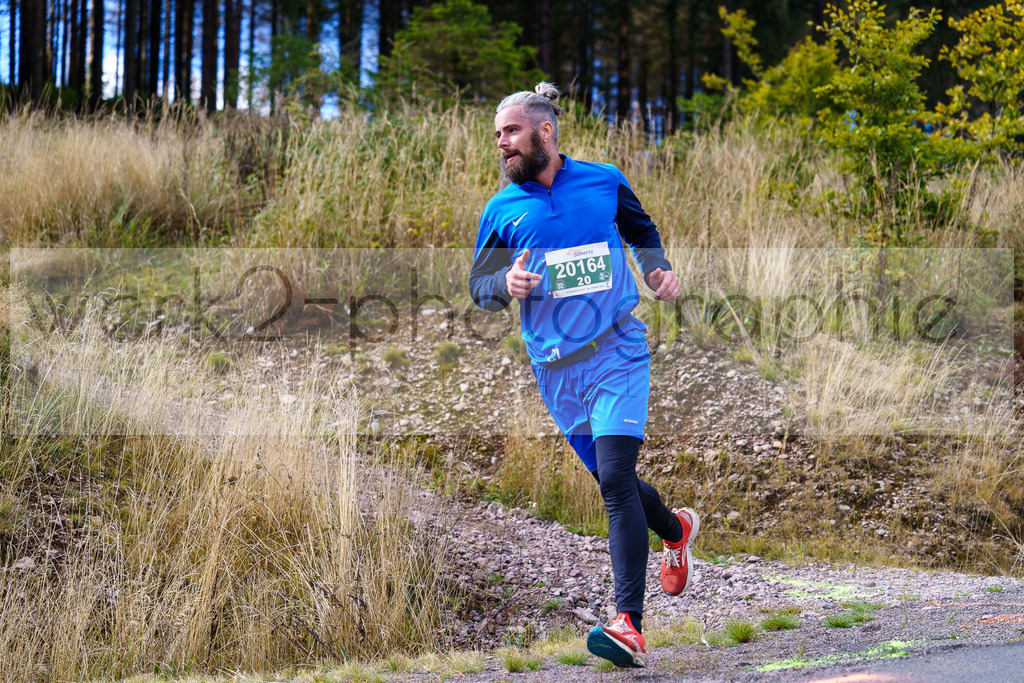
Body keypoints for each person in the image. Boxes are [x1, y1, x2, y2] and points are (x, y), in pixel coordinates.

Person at [469, 82, 701, 669]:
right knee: (613, 481)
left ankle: (629, 624)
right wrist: (506, 285)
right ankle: (675, 530)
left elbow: (641, 231)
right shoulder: (502, 210)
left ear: (544, 131)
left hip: (617, 349)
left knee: (617, 479)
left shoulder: (603, 180)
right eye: (498, 136)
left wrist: (656, 269)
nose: (502, 144)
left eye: (511, 132)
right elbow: (480, 288)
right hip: (555, 371)